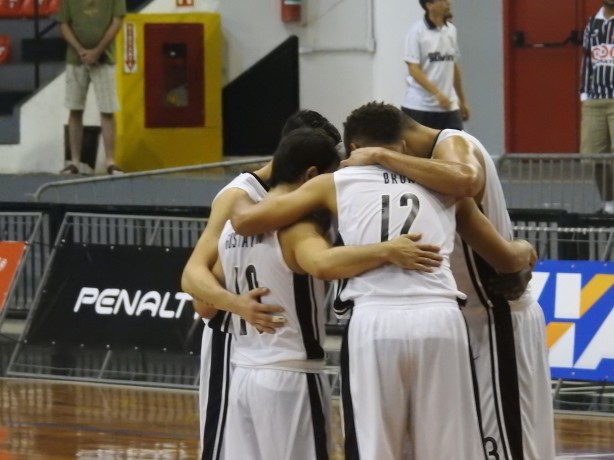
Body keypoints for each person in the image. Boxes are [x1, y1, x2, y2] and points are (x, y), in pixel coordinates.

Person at [230, 102, 537, 460]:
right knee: (448, 450)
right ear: (404, 146)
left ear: (354, 150)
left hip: (375, 320)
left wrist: (238, 188)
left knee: (377, 448)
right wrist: (527, 248)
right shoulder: (445, 184)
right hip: (440, 318)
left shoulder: (334, 182)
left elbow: (246, 220)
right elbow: (503, 257)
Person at [180, 109, 444, 459]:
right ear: (312, 174)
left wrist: (240, 302)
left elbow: (201, 294)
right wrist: (387, 250)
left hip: (246, 368)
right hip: (283, 369)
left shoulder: (239, 220)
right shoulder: (280, 219)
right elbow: (319, 264)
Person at [341, 104, 556, 459]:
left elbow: (468, 180)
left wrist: (381, 155)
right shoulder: (417, 174)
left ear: (401, 146)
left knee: (505, 448)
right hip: (460, 323)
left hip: (496, 316)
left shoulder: (454, 144)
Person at [58, 0, 126, 176]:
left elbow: (117, 21)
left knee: (107, 110)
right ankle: (74, 162)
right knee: (75, 108)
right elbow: (64, 24)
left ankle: (111, 161)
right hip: (75, 59)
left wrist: (97, 51)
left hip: (105, 59)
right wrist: (81, 50)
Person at [401, 0, 469, 130]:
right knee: (420, 150)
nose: (448, 3)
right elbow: (414, 69)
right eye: (442, 0)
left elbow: (453, 66)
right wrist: (437, 93)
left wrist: (462, 99)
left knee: (455, 146)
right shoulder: (416, 32)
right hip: (420, 106)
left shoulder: (451, 30)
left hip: (449, 106)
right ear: (429, 5)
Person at [580, 0, 614, 214]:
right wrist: (584, 94)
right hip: (594, 99)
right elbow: (586, 60)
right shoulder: (592, 24)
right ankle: (609, 204)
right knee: (594, 155)